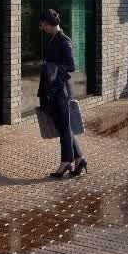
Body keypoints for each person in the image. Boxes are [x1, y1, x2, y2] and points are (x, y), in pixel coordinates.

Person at [38, 9, 88, 179]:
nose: (42, 27)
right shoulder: (53, 38)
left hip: (62, 90)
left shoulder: (64, 41)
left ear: (47, 23)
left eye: (42, 24)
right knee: (62, 125)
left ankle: (66, 162)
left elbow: (71, 66)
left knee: (65, 127)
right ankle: (79, 158)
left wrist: (51, 69)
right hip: (54, 89)